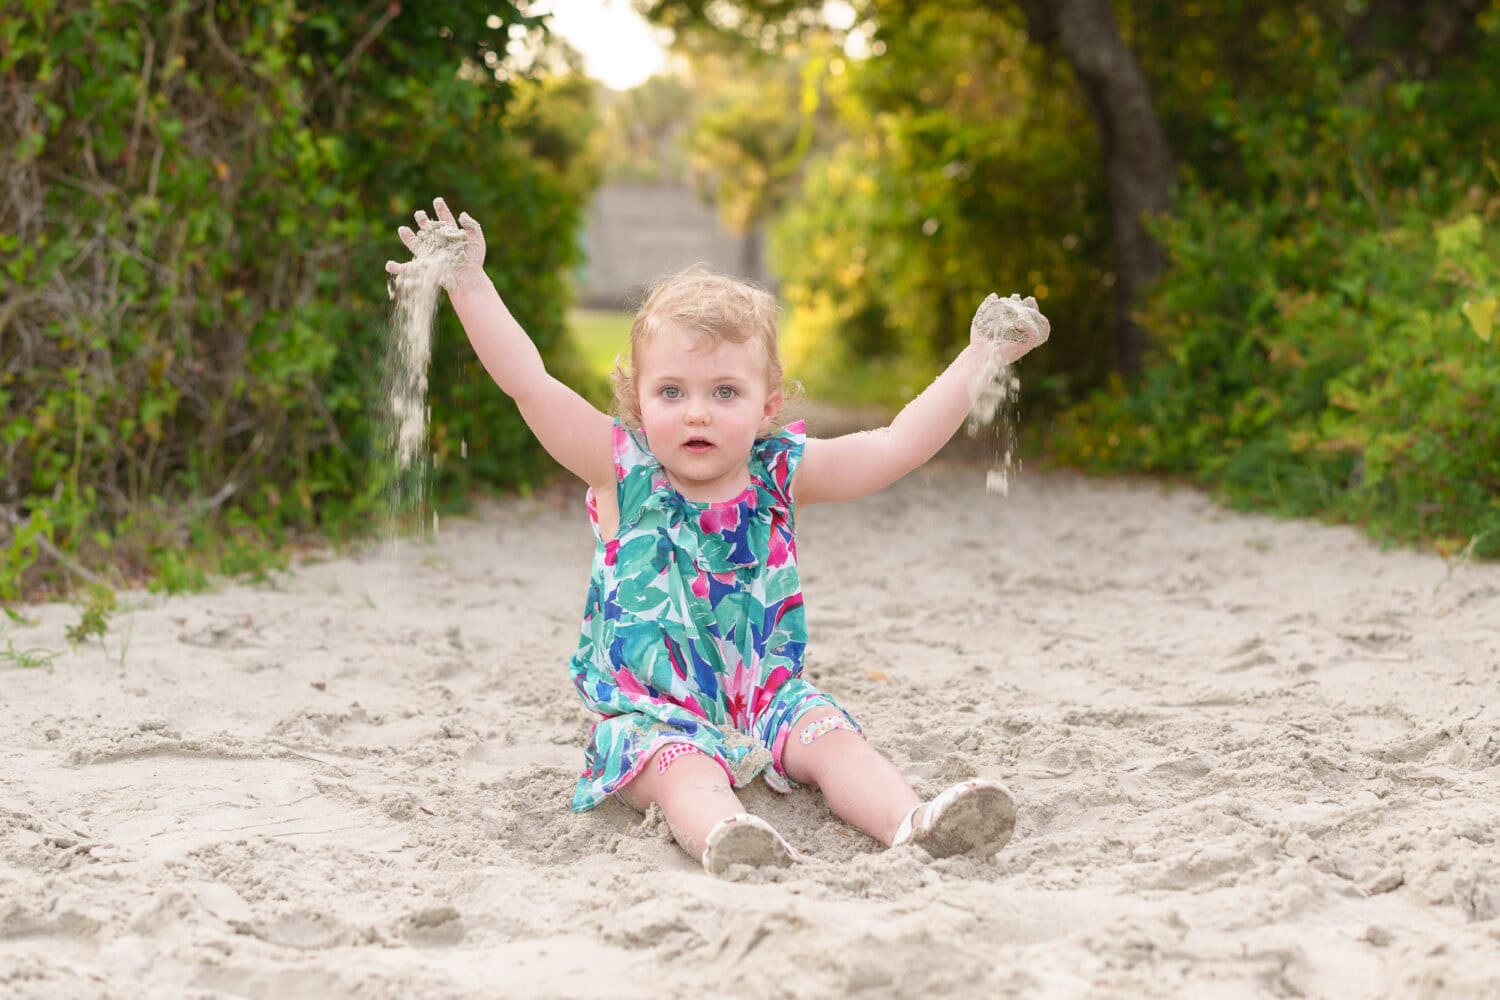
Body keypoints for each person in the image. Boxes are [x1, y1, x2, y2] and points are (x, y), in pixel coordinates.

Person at [387, 198, 1050, 876]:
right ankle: (731, 835)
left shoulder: (776, 474)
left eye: (724, 392)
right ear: (637, 402)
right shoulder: (623, 470)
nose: (697, 411)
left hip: (768, 695)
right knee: (684, 773)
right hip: (651, 718)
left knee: (836, 742)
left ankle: (912, 824)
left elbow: (895, 445)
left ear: (766, 407)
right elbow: (528, 383)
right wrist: (469, 283)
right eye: (671, 392)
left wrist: (984, 354)